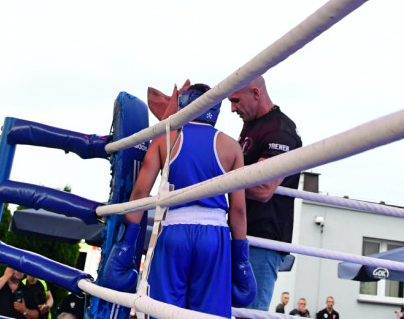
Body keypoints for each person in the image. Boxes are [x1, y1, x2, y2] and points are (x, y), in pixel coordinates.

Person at [97, 83, 255, 315]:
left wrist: (126, 245)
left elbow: (140, 194)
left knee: (164, 312)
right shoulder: (231, 147)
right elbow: (238, 210)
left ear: (184, 105)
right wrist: (241, 259)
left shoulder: (165, 140)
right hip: (214, 237)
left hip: (173, 232)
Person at [228, 76, 303, 311]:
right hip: (242, 234)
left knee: (249, 313)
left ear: (256, 93)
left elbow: (263, 189)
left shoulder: (281, 131)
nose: (232, 109)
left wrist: (215, 183)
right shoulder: (252, 125)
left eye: (236, 100)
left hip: (262, 240)